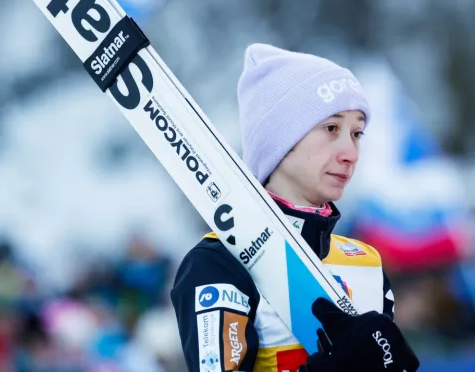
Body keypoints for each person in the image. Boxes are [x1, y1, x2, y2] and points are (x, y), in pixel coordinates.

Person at [170, 44, 420, 371]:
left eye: (357, 133)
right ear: (280, 141)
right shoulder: (219, 262)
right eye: (331, 128)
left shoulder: (366, 263)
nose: (351, 152)